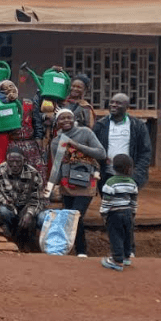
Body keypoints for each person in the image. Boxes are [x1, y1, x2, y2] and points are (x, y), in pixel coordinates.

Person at [93, 93, 151, 259]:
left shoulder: (137, 125)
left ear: (127, 107)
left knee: (127, 215)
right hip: (106, 177)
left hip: (129, 179)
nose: (114, 105)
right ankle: (117, 250)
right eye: (111, 102)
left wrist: (136, 176)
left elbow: (145, 152)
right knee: (111, 217)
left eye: (118, 103)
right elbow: (94, 147)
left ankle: (129, 250)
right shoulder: (101, 124)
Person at [50, 108, 106, 258]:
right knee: (69, 216)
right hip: (67, 185)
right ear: (57, 122)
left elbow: (101, 153)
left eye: (69, 117)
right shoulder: (56, 141)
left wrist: (75, 145)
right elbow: (56, 167)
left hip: (87, 182)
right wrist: (49, 188)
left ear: (74, 119)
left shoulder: (85, 132)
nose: (66, 121)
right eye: (62, 118)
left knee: (77, 215)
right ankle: (67, 247)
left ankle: (81, 250)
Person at [0, 147, 46, 251]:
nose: (15, 165)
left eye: (18, 161)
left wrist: (29, 214)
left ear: (24, 161)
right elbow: (1, 196)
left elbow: (37, 200)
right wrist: (15, 210)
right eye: (11, 162)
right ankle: (10, 235)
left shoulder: (34, 174)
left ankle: (31, 243)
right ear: (6, 161)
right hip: (9, 205)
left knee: (40, 218)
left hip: (28, 205)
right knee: (4, 211)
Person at [0, 80, 47, 184]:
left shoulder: (28, 103)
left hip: (30, 144)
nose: (9, 89)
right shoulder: (0, 107)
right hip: (12, 144)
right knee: (15, 173)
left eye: (11, 86)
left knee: (35, 173)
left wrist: (39, 137)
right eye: (4, 88)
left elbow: (36, 121)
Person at [100, 154, 138, 271]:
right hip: (127, 212)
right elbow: (134, 200)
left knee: (116, 235)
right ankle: (126, 256)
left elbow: (106, 200)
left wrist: (103, 213)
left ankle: (117, 260)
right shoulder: (132, 183)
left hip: (114, 214)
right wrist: (133, 212)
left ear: (113, 167)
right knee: (127, 235)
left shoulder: (110, 182)